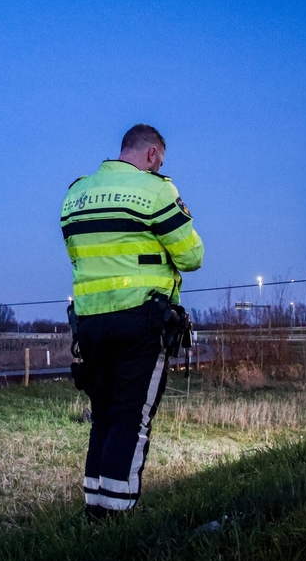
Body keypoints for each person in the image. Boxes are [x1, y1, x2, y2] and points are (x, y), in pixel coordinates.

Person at [61, 123, 204, 517]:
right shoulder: (156, 190)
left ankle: (94, 507)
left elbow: (79, 254)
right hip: (141, 320)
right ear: (153, 155)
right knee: (131, 418)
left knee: (103, 415)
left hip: (89, 323)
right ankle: (118, 517)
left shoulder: (76, 193)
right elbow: (192, 258)